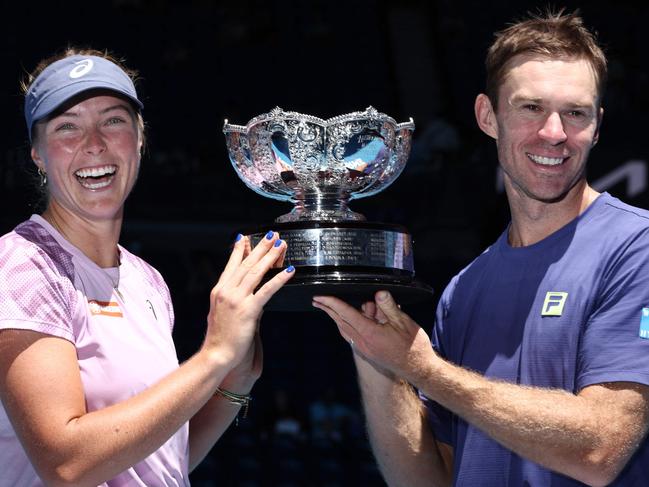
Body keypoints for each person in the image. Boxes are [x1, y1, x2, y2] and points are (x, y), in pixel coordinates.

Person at [312, 10, 649, 487]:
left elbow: (601, 448)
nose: (554, 133)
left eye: (575, 112)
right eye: (530, 108)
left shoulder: (638, 249)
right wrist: (372, 351)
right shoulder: (464, 289)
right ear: (488, 116)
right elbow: (428, 480)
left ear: (597, 125)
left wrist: (423, 368)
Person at [0, 48, 295, 486]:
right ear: (38, 155)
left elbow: (157, 461)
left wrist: (235, 380)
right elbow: (67, 464)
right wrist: (213, 356)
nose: (95, 143)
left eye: (114, 120)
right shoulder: (22, 264)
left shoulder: (147, 280)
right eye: (67, 127)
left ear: (139, 137)